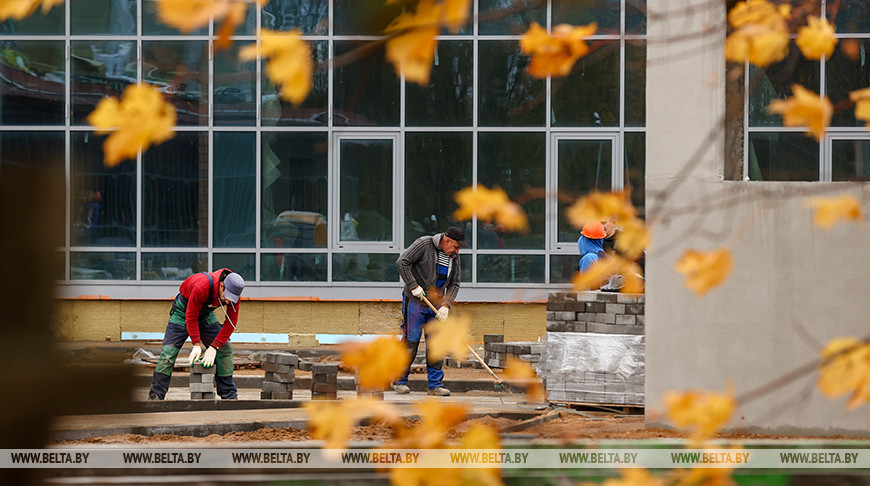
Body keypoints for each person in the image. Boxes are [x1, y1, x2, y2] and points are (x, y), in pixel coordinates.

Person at [148, 269, 245, 400]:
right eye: (227, 297)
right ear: (221, 286)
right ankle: (156, 396)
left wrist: (214, 347)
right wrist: (196, 343)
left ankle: (229, 395)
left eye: (232, 299)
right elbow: (191, 316)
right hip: (183, 313)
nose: (228, 302)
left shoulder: (234, 295)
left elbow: (231, 322)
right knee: (168, 354)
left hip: (206, 315)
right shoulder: (202, 285)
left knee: (225, 349)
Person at [393, 226, 464, 397]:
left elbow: (454, 284)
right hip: (416, 301)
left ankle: (435, 385)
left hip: (437, 306)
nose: (457, 251)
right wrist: (413, 285)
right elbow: (402, 262)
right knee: (411, 341)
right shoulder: (424, 244)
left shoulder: (454, 257)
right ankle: (399, 381)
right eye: (455, 247)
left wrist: (446, 305)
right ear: (447, 241)